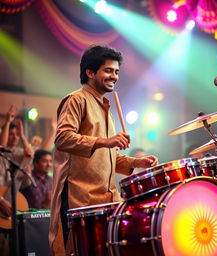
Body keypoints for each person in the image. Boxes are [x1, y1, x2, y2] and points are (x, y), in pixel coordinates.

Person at [49, 44, 158, 255]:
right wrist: (105, 141)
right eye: (108, 70)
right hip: (79, 198)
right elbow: (62, 138)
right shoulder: (76, 100)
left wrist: (136, 162)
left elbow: (105, 156)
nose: (114, 76)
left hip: (106, 199)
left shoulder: (105, 108)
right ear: (90, 72)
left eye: (116, 71)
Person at [0, 105, 34, 256]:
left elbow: (29, 154)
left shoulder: (18, 154)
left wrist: (23, 136)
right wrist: (7, 122)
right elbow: (2, 146)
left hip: (10, 214)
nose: (13, 137)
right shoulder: (2, 152)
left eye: (16, 135)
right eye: (10, 134)